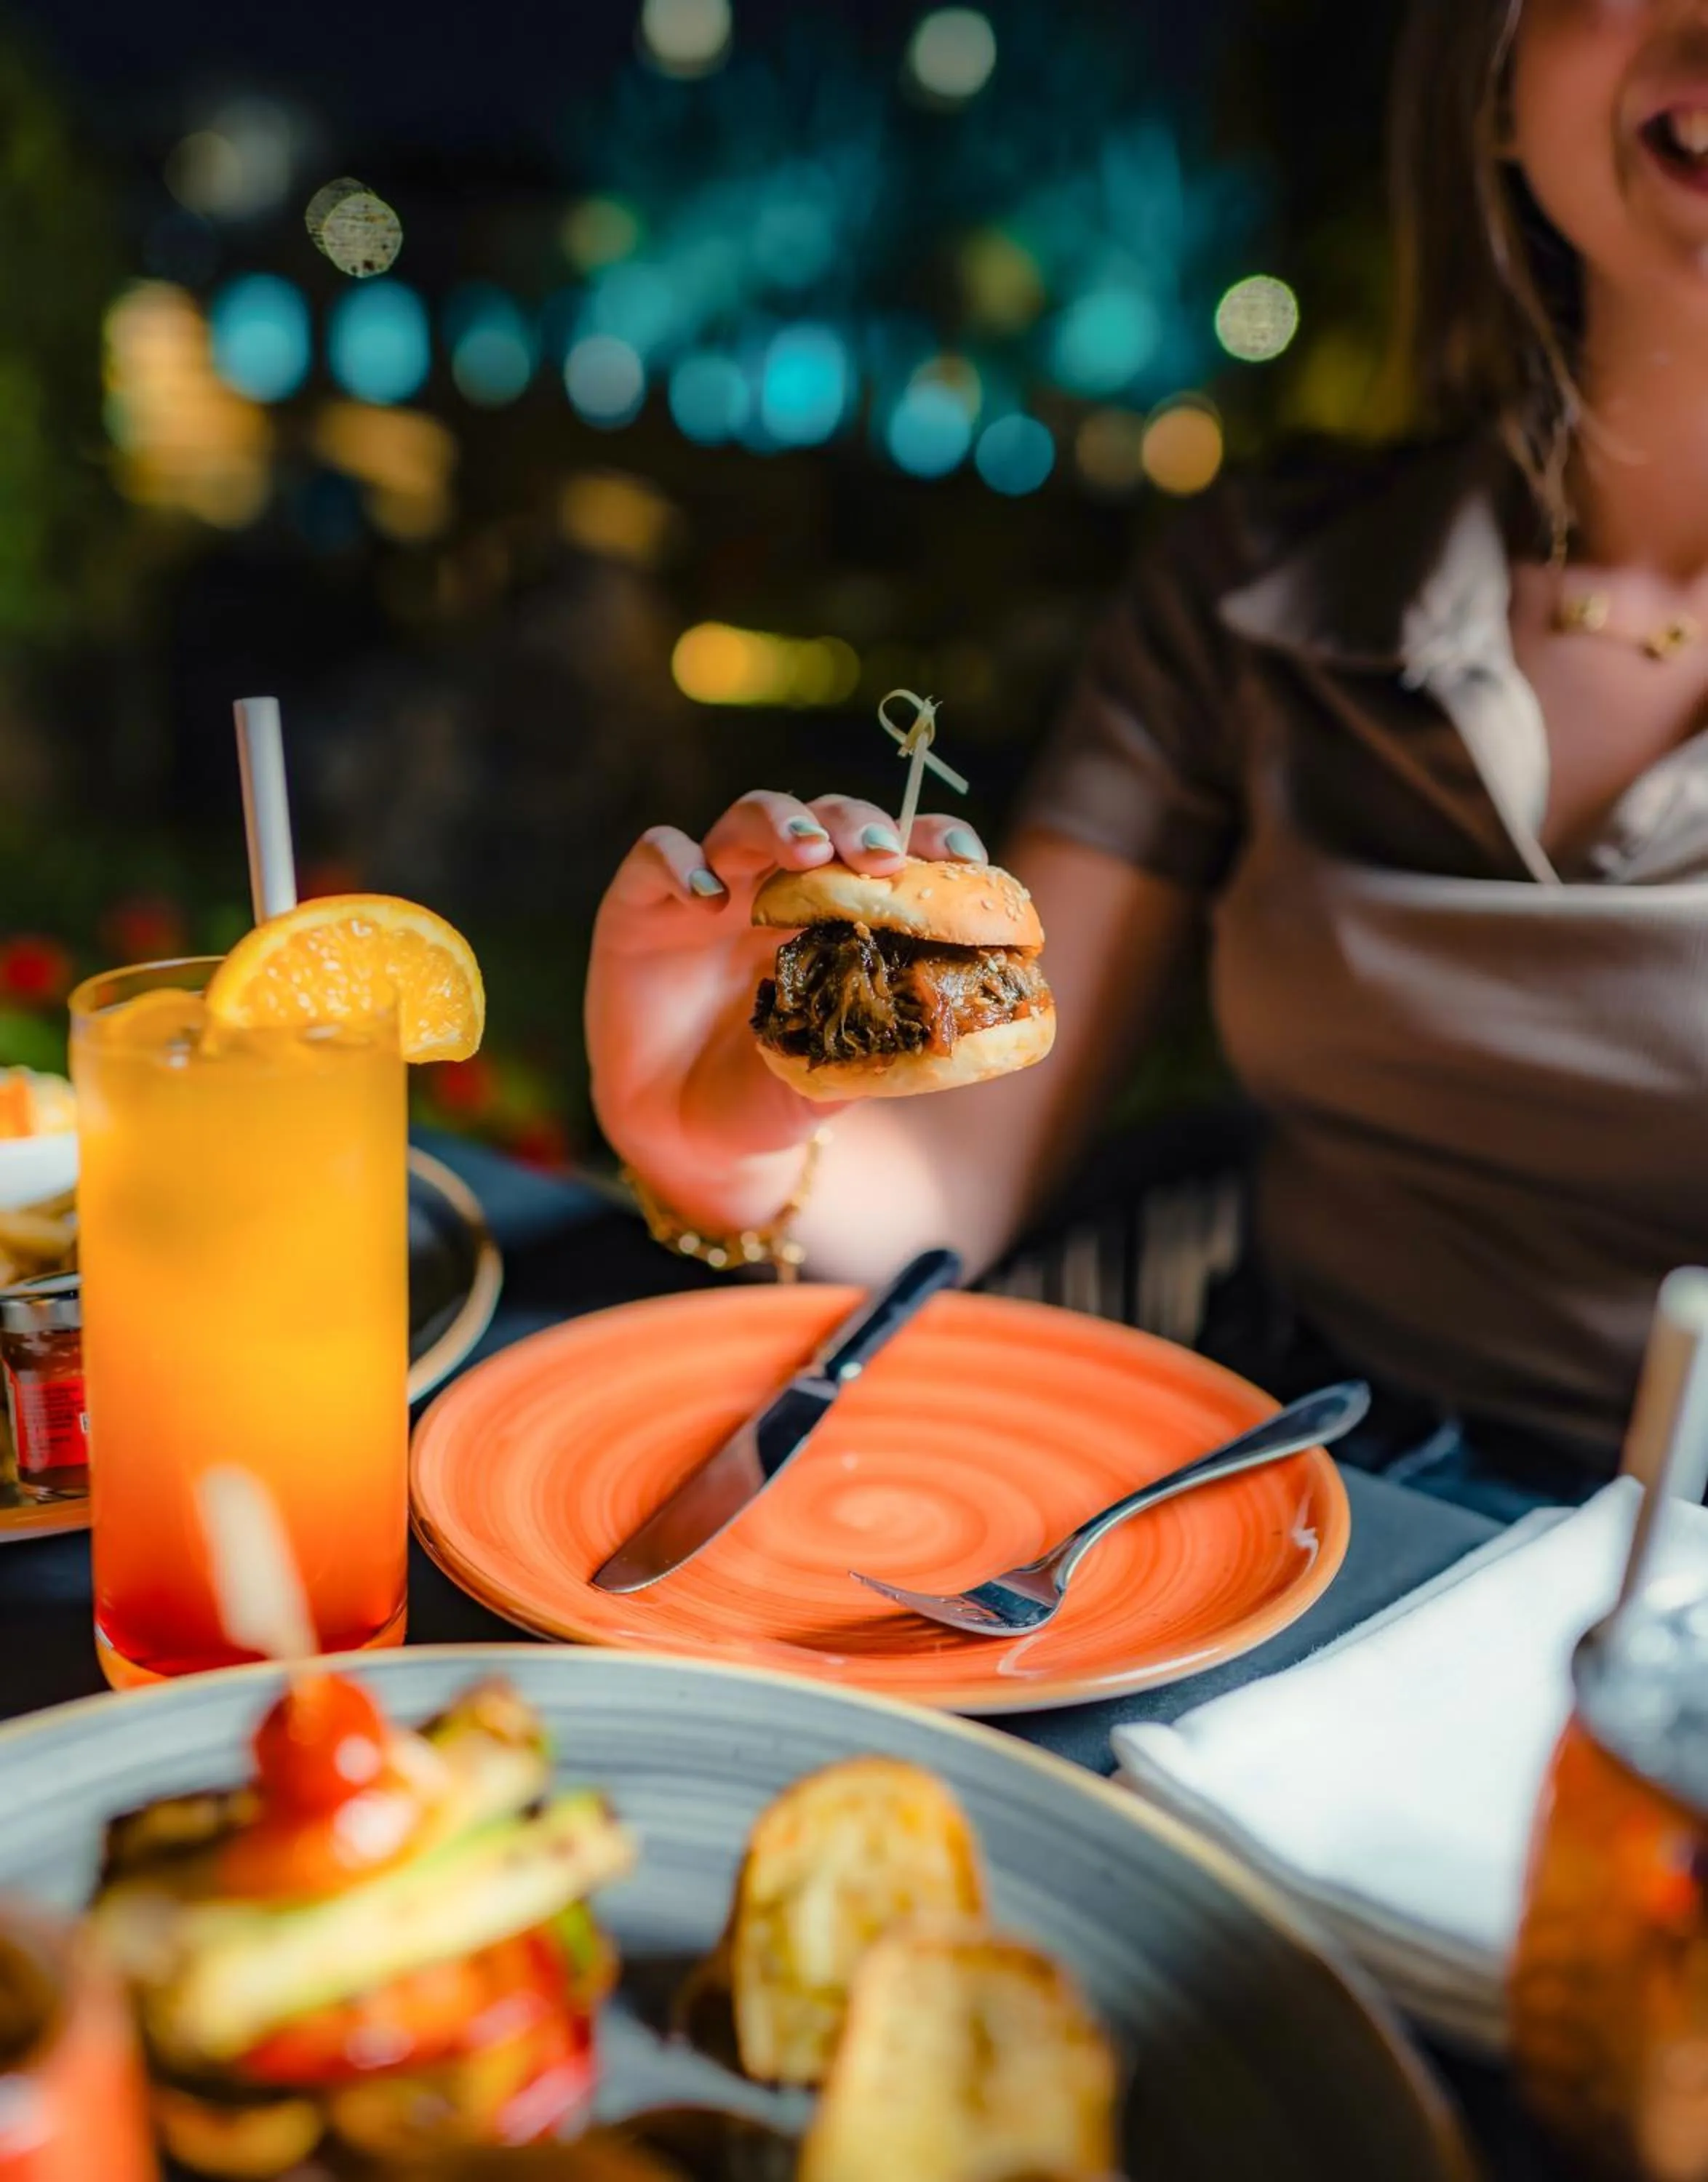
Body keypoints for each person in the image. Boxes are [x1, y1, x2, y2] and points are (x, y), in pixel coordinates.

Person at [586, 0, 1708, 1520]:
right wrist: (719, 1140)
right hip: (1296, 1479)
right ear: (1494, 78)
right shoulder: (1263, 582)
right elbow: (955, 1177)